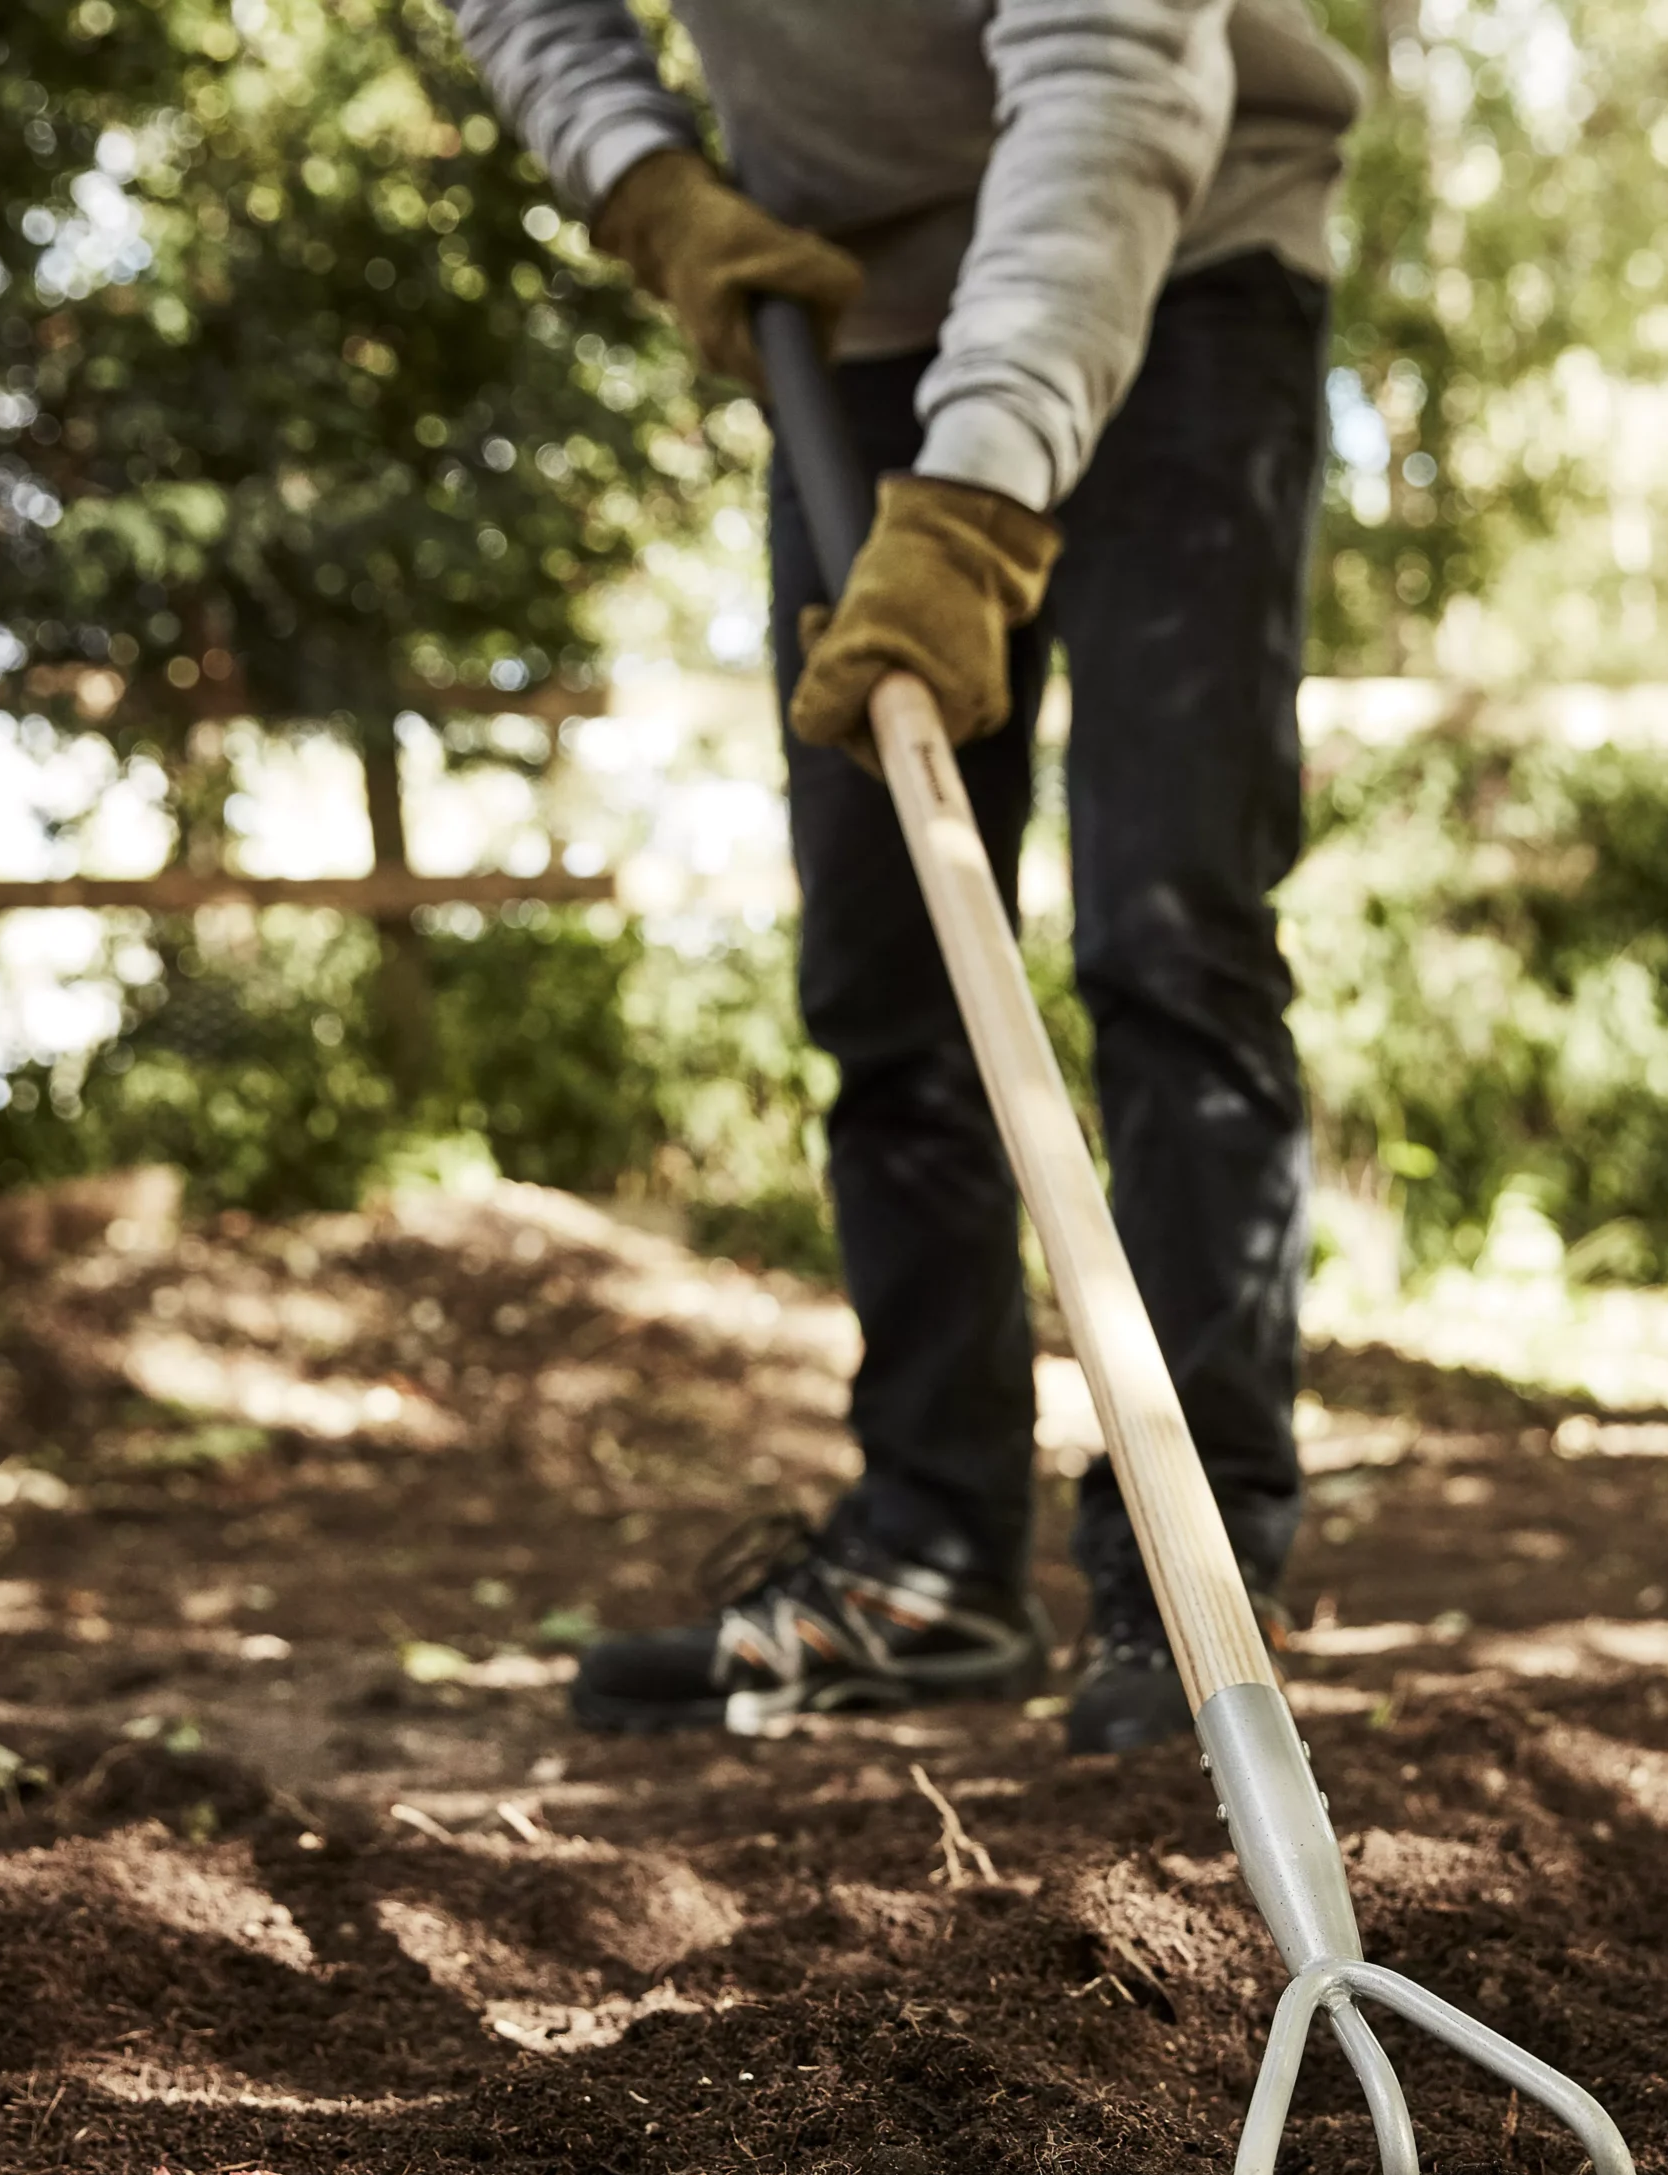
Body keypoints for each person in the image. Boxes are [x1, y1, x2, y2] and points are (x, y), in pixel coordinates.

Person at [454, 0, 1362, 1752]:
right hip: (850, 298)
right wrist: (643, 180)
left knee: (1172, 923)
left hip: (1180, 245)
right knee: (889, 961)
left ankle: (1199, 1573)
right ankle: (932, 1562)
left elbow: (1113, 68)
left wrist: (972, 503)